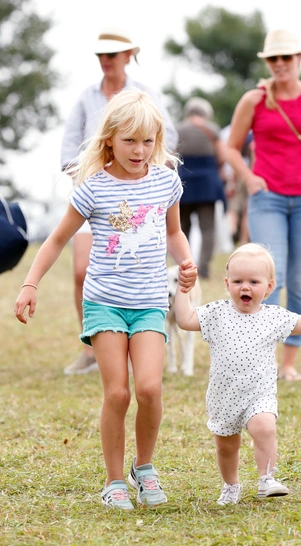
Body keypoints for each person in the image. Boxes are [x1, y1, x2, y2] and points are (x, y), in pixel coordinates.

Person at [15, 89, 198, 510]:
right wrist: (30, 284)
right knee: (118, 393)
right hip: (105, 303)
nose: (139, 150)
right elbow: (56, 239)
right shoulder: (93, 189)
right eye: (130, 140)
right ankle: (114, 480)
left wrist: (186, 261)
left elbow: (173, 232)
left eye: (148, 141)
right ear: (110, 139)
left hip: (150, 301)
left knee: (150, 388)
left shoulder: (166, 181)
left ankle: (144, 468)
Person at [173, 243, 301, 505]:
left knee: (265, 427)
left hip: (259, 393)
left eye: (254, 281)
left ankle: (266, 478)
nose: (245, 287)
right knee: (226, 446)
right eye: (238, 281)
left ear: (269, 287)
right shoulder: (216, 313)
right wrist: (183, 290)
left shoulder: (274, 317)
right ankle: (231, 485)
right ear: (227, 283)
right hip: (224, 396)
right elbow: (185, 320)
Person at [224, 28, 301, 382]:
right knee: (267, 276)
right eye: (274, 59)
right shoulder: (254, 100)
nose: (280, 64)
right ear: (267, 62)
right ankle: (255, 356)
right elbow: (231, 147)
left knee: (299, 278)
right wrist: (249, 178)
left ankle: (289, 362)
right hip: (269, 200)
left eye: (286, 58)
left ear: (299, 60)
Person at [60, 27, 179, 376]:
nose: (105, 62)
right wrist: (86, 175)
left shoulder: (146, 96)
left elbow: (166, 135)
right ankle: (94, 346)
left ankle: (136, 342)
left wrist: (147, 165)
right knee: (82, 270)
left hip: (138, 198)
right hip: (95, 193)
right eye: (101, 55)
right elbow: (70, 142)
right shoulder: (86, 97)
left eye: (112, 55)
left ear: (128, 57)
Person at [176, 97, 226, 279]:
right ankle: (203, 268)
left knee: (182, 227)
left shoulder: (178, 130)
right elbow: (222, 157)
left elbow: (170, 157)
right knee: (208, 228)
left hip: (183, 183)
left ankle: (183, 265)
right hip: (207, 184)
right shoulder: (212, 130)